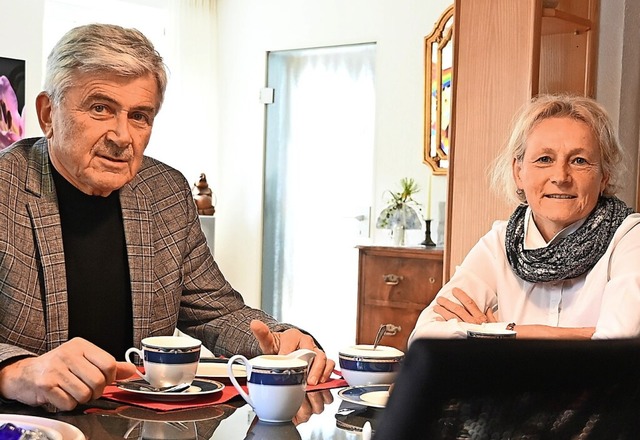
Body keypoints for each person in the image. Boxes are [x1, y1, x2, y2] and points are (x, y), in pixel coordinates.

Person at [0, 23, 334, 411]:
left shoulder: (165, 193)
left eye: (139, 116)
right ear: (47, 114)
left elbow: (217, 311)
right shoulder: (5, 188)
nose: (122, 135)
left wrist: (282, 338)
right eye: (100, 108)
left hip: (138, 424)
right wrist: (15, 370)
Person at [410, 93, 640, 342]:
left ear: (604, 176)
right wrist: (535, 333)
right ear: (518, 172)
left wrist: (491, 337)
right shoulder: (500, 243)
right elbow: (424, 337)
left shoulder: (629, 238)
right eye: (544, 159)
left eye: (579, 160)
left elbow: (616, 349)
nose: (561, 177)